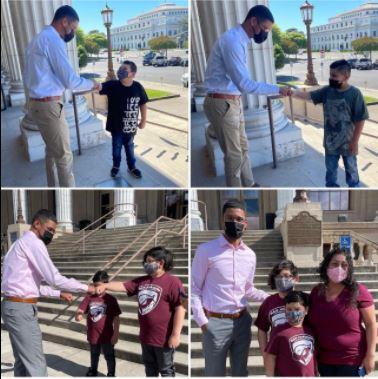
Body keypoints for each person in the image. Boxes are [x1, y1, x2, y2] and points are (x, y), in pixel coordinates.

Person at [203, 5, 291, 187]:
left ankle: (249, 184)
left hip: (231, 102)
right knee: (233, 155)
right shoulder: (233, 41)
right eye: (265, 28)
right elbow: (245, 84)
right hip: (222, 103)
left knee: (243, 147)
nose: (265, 33)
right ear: (253, 21)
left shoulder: (240, 40)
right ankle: (235, 195)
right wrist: (277, 89)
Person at [1, 209, 95, 377]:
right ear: (37, 223)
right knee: (36, 364)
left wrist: (58, 294)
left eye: (54, 231)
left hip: (12, 305)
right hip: (21, 309)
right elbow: (54, 278)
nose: (51, 234)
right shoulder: (34, 243)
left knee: (23, 361)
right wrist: (88, 288)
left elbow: (27, 285)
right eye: (49, 229)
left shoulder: (17, 244)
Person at [24, 5, 101, 187]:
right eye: (72, 28)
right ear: (64, 21)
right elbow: (70, 81)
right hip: (49, 106)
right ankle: (67, 193)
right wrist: (93, 84)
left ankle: (53, 186)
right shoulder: (52, 39)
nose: (72, 33)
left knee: (52, 151)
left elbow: (29, 77)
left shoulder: (37, 39)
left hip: (38, 104)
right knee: (64, 156)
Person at [191, 199, 269, 376]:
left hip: (242, 321)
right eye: (230, 218)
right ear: (223, 221)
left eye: (239, 219)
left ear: (245, 223)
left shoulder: (250, 255)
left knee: (240, 372)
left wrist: (271, 298)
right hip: (215, 323)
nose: (235, 222)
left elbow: (248, 289)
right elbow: (195, 289)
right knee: (214, 373)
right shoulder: (206, 250)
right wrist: (203, 323)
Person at [94, 246, 186, 377]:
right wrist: (105, 285)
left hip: (163, 339)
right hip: (146, 337)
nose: (146, 264)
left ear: (160, 263)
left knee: (166, 370)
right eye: (145, 261)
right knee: (149, 368)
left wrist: (176, 335)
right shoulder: (142, 281)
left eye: (149, 261)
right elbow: (123, 286)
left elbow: (181, 307)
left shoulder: (174, 282)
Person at [291, 59, 369, 187]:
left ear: (346, 76)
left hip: (348, 144)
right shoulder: (327, 91)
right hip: (330, 143)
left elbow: (360, 119)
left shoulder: (355, 94)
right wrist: (292, 93)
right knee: (331, 174)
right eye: (330, 75)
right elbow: (309, 95)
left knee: (352, 173)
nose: (331, 78)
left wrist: (354, 142)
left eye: (334, 76)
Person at [307, 248, 377, 376]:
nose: (339, 268)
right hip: (323, 360)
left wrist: (370, 355)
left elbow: (371, 324)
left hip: (351, 361)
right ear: (326, 266)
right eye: (335, 264)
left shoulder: (358, 290)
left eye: (344, 265)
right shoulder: (316, 292)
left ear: (349, 269)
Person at [99, 60, 148, 179]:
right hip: (116, 126)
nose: (120, 71)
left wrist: (143, 121)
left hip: (130, 127)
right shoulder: (112, 85)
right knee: (116, 147)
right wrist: (91, 84)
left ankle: (132, 167)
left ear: (132, 73)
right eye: (120, 68)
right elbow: (98, 88)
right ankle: (116, 166)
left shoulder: (137, 87)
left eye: (124, 69)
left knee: (130, 148)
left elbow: (143, 104)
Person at [75, 270, 121, 377]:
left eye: (99, 285)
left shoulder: (111, 299)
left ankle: (111, 373)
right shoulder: (89, 298)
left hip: (107, 335)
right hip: (93, 334)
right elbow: (80, 310)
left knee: (109, 355)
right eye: (95, 285)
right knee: (94, 354)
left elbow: (116, 318)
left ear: (106, 285)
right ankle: (93, 370)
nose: (97, 288)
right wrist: (78, 315)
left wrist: (116, 334)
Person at [255, 260, 299, 366]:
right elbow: (262, 330)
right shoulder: (268, 303)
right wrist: (265, 354)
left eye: (287, 276)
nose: (283, 279)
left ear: (295, 279)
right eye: (279, 277)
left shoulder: (304, 300)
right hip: (276, 356)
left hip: (300, 354)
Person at [265, 291, 316, 377]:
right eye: (289, 309)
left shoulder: (310, 331)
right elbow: (270, 357)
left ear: (306, 310)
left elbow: (313, 356)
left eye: (297, 309)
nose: (293, 312)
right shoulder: (279, 331)